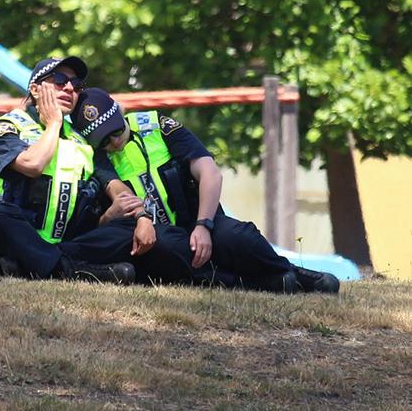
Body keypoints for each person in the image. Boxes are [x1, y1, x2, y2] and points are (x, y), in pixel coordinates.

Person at [0, 57, 194, 286]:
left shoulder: (82, 139)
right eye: (59, 81)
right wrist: (53, 122)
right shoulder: (7, 127)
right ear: (35, 89)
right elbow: (32, 165)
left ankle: (40, 267)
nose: (69, 88)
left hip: (65, 244)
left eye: (76, 85)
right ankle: (75, 272)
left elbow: (117, 188)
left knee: (132, 232)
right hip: (4, 242)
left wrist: (141, 217)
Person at [70, 87, 340, 294]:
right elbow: (118, 192)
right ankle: (256, 283)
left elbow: (209, 172)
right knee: (167, 248)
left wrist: (203, 225)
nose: (113, 142)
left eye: (115, 131)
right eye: (103, 140)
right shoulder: (97, 157)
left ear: (120, 112)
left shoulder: (158, 127)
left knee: (237, 236)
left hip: (198, 220)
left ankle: (291, 273)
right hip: (159, 237)